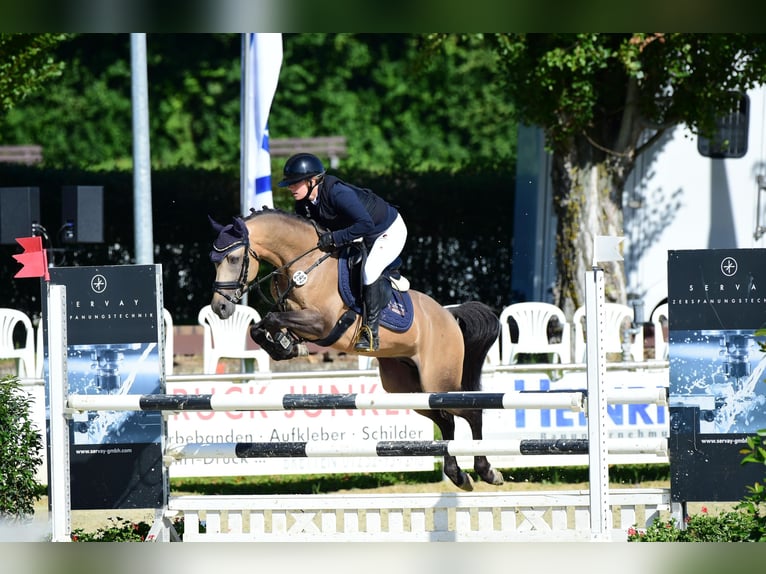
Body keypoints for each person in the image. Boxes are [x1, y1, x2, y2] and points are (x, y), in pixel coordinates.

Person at [278, 152, 407, 352]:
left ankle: (370, 332)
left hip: (386, 231)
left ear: (313, 181)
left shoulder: (337, 193)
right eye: (290, 183)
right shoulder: (303, 203)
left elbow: (365, 224)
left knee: (370, 270)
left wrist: (335, 238)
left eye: (295, 183)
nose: (291, 188)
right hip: (359, 233)